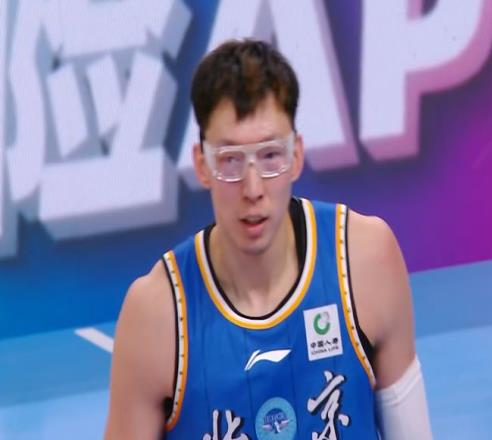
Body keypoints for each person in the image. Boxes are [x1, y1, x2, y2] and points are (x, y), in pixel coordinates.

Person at [104, 39, 432, 439]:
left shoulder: (364, 260)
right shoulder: (156, 315)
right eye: (230, 160)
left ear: (296, 156)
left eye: (270, 156)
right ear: (202, 165)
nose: (253, 188)